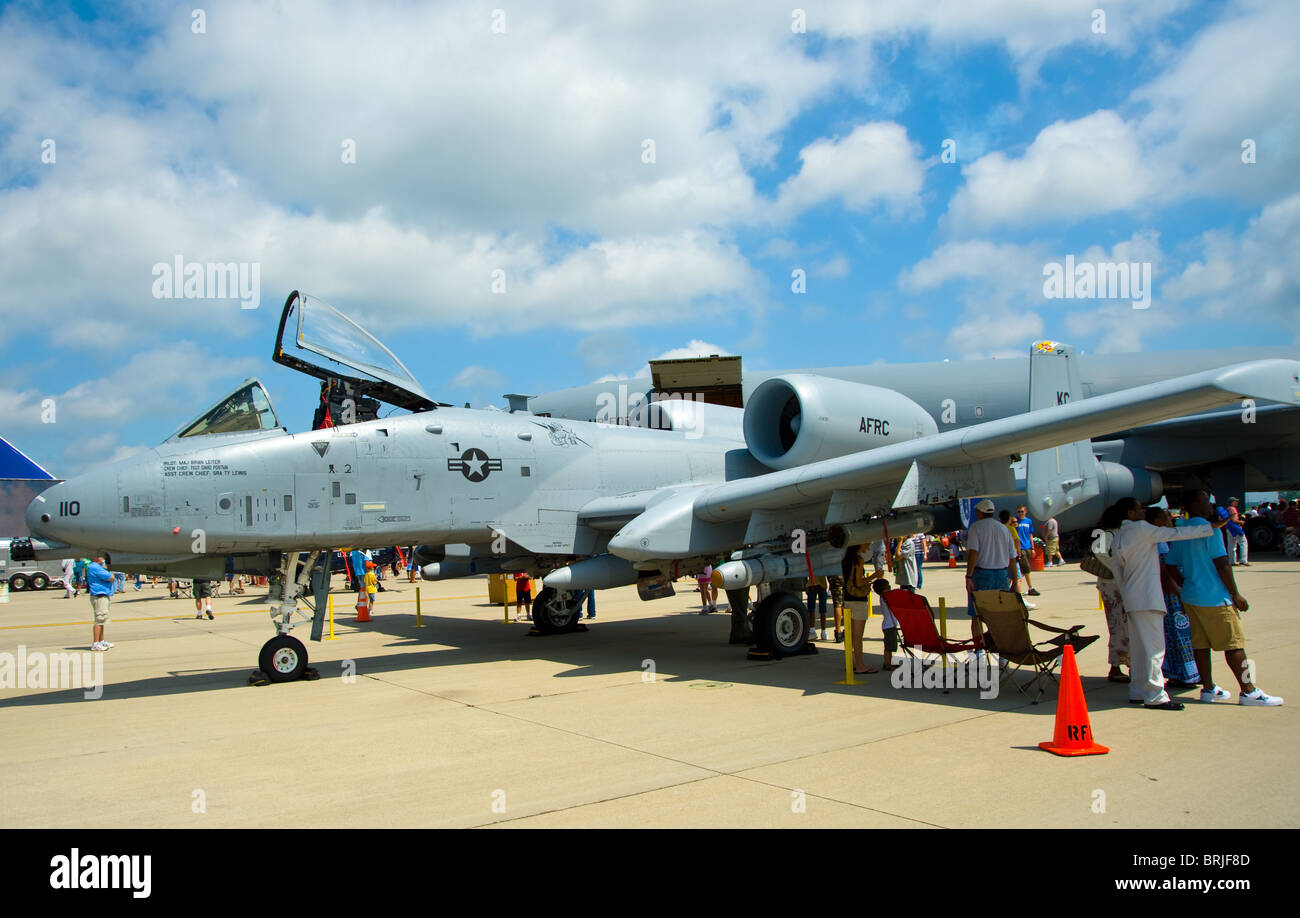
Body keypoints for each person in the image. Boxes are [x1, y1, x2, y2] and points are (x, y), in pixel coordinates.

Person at [1164, 489, 1283, 706]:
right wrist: (1235, 593)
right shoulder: (1211, 530)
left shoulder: (1180, 530)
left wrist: (1184, 584)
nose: (1211, 505)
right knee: (1234, 645)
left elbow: (1170, 563)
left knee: (1200, 645)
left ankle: (1208, 688)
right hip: (1215, 597)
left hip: (1191, 596)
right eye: (1206, 501)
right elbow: (1222, 563)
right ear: (1196, 506)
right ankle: (1249, 691)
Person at [1110, 497, 1214, 710]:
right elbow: (1176, 534)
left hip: (1132, 598)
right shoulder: (1142, 529)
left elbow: (1118, 572)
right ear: (1130, 513)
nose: (1142, 512)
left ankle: (1137, 690)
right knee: (1155, 649)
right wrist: (1208, 528)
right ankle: (1156, 695)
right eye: (1139, 508)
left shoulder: (1120, 535)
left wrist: (1126, 595)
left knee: (1139, 649)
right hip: (1148, 598)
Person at [1147, 507, 1200, 689]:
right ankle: (1182, 674)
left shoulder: (1168, 539)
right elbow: (1165, 573)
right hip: (1172, 596)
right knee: (1177, 634)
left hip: (1176, 591)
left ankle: (1188, 672)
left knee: (1183, 634)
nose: (1170, 521)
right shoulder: (1160, 541)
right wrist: (1179, 592)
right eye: (1165, 518)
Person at [964, 498, 1023, 645]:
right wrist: (1015, 581)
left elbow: (973, 553)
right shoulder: (1004, 528)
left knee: (976, 615)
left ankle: (979, 650)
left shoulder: (976, 527)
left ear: (980, 512)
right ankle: (1001, 649)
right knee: (999, 615)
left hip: (982, 575)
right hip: (1002, 575)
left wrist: (969, 576)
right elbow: (1012, 558)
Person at [1092, 504, 1130, 683]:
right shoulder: (1109, 535)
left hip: (1112, 586)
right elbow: (1098, 551)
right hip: (1113, 587)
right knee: (1118, 626)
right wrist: (1117, 568)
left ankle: (1122, 663)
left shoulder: (1112, 534)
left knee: (1120, 626)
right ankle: (1116, 665)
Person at [841, 544, 877, 674]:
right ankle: (860, 665)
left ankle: (850, 663)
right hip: (858, 601)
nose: (868, 545)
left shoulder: (845, 560)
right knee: (857, 637)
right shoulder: (858, 560)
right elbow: (859, 582)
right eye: (866, 543)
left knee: (849, 635)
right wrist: (873, 576)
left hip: (847, 599)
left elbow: (845, 580)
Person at [86, 554, 117, 651]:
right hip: (99, 596)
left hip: (103, 595)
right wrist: (107, 570)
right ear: (95, 558)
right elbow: (111, 577)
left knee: (102, 620)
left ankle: (101, 641)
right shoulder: (94, 567)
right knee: (99, 620)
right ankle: (95, 643)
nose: (102, 558)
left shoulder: (97, 567)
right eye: (100, 557)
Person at [872, 578, 901, 671]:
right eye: (887, 587)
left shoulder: (885, 597)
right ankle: (887, 663)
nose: (890, 588)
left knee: (891, 645)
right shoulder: (885, 598)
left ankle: (889, 662)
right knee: (889, 646)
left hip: (890, 625)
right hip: (889, 626)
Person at [1014, 505, 1040, 596]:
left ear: (1025, 511)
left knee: (1021, 570)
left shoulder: (1029, 521)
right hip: (1020, 548)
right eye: (1018, 511)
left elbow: (1030, 534)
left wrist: (1032, 548)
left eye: (1022, 511)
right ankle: (1030, 587)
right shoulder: (1015, 521)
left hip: (1027, 546)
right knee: (1026, 568)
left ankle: (1013, 587)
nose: (1020, 513)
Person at [1224, 498, 1248, 566]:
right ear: (1232, 502)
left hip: (1229, 528)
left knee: (1231, 545)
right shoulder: (1232, 509)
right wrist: (1241, 522)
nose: (1237, 502)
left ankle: (1232, 561)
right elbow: (1234, 520)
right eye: (1236, 501)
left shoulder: (1227, 509)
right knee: (1243, 542)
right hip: (1235, 528)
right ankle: (1243, 560)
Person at [805, 575, 829, 640]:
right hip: (822, 584)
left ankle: (812, 630)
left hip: (812, 584)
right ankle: (823, 632)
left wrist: (806, 585)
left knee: (811, 609)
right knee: (823, 610)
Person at [827, 575, 845, 643]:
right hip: (844, 576)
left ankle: (838, 632)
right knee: (847, 603)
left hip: (833, 576)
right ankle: (847, 629)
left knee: (837, 604)